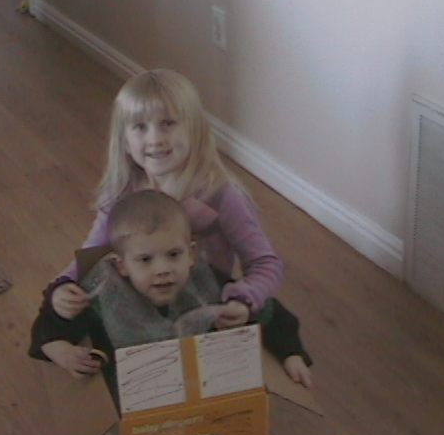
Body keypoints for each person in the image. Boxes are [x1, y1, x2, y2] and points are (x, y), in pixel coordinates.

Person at [39, 67, 287, 346]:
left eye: (168, 123)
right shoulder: (121, 193)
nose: (155, 139)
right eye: (140, 127)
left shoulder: (221, 195)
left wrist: (244, 299)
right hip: (140, 301)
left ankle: (292, 358)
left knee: (275, 319)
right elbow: (91, 255)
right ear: (124, 141)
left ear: (194, 130)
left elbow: (265, 263)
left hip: (206, 306)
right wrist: (63, 286)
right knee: (59, 314)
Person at [29, 189, 313, 392]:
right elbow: (48, 326)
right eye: (145, 260)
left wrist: (291, 353)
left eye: (174, 254)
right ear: (122, 265)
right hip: (133, 392)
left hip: (198, 385)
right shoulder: (106, 292)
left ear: (191, 253)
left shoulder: (206, 283)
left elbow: (270, 312)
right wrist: (63, 352)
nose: (163, 269)